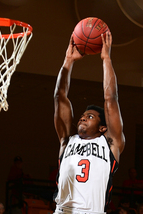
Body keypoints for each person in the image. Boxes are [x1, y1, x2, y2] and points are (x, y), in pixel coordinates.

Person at [53, 31, 125, 214]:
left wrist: (106, 59)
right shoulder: (67, 140)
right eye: (83, 115)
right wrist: (68, 60)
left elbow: (111, 99)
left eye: (90, 116)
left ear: (103, 128)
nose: (83, 117)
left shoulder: (110, 143)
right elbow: (59, 96)